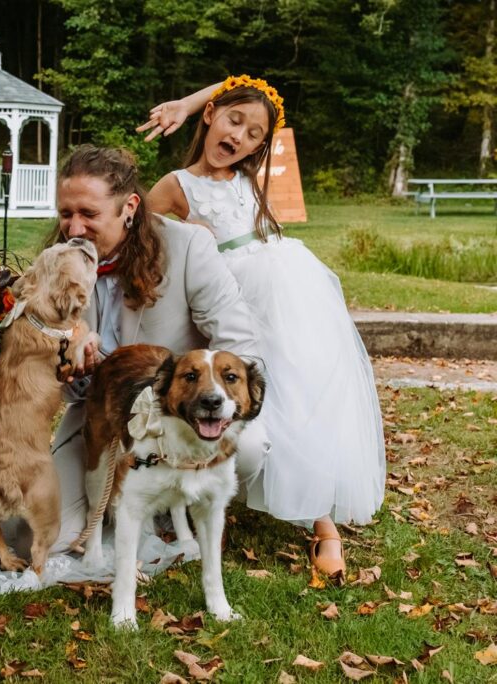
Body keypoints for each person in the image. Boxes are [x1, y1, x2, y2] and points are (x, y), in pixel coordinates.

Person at [143, 75, 386, 578]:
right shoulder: (177, 185)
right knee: (239, 396)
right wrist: (184, 228)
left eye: (256, 134)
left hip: (287, 288)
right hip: (232, 300)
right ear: (212, 115)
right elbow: (137, 228)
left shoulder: (247, 180)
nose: (241, 137)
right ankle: (212, 506)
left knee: (302, 391)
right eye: (234, 120)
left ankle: (324, 525)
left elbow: (242, 82)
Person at [47, 144, 265, 556]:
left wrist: (188, 395)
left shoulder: (187, 248)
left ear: (129, 207)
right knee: (49, 535)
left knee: (248, 449)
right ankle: (132, 499)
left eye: (89, 214)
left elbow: (240, 346)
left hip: (179, 415)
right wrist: (72, 370)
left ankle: (179, 498)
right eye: (65, 214)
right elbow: (61, 384)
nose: (74, 228)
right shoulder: (57, 263)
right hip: (101, 418)